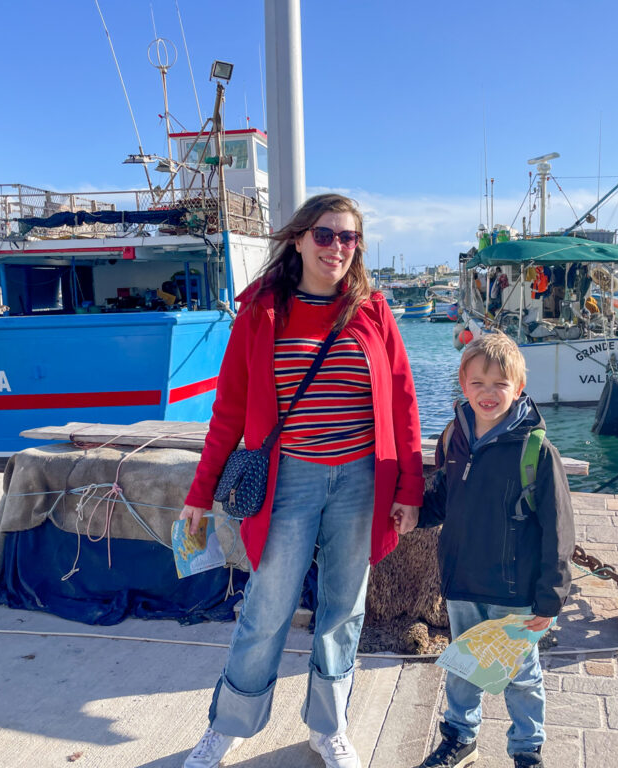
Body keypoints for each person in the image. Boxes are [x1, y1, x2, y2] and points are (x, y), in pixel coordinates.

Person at [180, 193, 423, 768]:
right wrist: (198, 493)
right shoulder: (262, 311)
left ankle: (329, 726)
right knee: (267, 607)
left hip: (363, 480)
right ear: (298, 239)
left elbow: (405, 405)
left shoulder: (373, 311)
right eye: (325, 235)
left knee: (344, 609)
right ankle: (228, 725)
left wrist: (409, 489)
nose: (337, 247)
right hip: (290, 480)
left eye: (348, 238)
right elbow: (229, 414)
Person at [397, 334, 575, 768]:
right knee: (463, 667)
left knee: (522, 676)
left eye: (500, 384)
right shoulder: (454, 436)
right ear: (463, 383)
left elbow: (558, 529)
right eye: (478, 383)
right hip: (462, 581)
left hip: (514, 590)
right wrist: (415, 515)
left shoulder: (536, 450)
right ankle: (460, 737)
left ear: (519, 387)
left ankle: (526, 749)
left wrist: (551, 597)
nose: (488, 393)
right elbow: (444, 499)